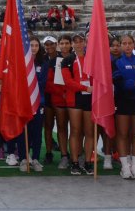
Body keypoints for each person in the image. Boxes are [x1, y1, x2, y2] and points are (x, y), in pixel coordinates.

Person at [62, 34, 94, 175]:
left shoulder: (92, 59)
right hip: (74, 99)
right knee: (75, 130)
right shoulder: (67, 60)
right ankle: (74, 162)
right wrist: (85, 88)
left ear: (86, 43)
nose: (79, 44)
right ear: (72, 45)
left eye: (81, 41)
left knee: (89, 132)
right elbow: (68, 82)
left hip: (90, 98)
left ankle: (87, 162)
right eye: (76, 42)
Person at [113, 34, 135, 179]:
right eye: (124, 43)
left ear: (134, 44)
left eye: (130, 43)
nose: (127, 46)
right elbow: (118, 81)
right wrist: (134, 83)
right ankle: (125, 167)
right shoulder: (117, 62)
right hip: (123, 102)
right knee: (123, 134)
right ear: (120, 45)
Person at [16, 36, 48, 173]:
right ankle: (23, 158)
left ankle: (35, 158)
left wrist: (31, 83)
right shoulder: (21, 62)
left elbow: (42, 81)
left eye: (36, 45)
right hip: (24, 102)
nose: (33, 48)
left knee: (37, 133)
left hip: (38, 102)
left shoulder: (43, 63)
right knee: (23, 132)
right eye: (31, 45)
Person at [44, 35, 70, 167]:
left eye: (52, 44)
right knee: (48, 126)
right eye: (47, 45)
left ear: (56, 45)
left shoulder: (62, 59)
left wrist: (62, 93)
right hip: (47, 98)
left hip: (60, 97)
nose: (49, 47)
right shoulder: (42, 58)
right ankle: (48, 152)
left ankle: (65, 154)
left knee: (61, 126)